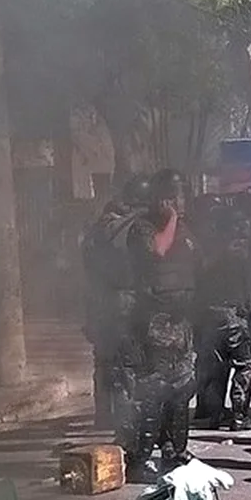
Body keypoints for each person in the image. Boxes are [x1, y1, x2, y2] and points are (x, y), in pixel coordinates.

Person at [124, 169, 198, 473]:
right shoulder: (142, 228)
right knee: (153, 390)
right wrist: (171, 218)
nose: (180, 202)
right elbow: (159, 250)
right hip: (155, 321)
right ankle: (139, 459)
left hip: (181, 322)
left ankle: (175, 451)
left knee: (181, 388)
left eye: (181, 196)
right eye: (173, 197)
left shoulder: (185, 228)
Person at [82, 176, 148, 432]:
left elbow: (87, 265)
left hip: (100, 300)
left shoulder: (99, 228)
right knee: (128, 361)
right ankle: (126, 417)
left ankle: (103, 416)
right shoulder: (136, 226)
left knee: (104, 360)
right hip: (127, 300)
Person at [194, 202, 251, 430]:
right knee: (244, 365)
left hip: (209, 315)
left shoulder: (206, 250)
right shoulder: (241, 252)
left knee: (215, 368)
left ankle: (214, 414)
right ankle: (239, 415)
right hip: (234, 315)